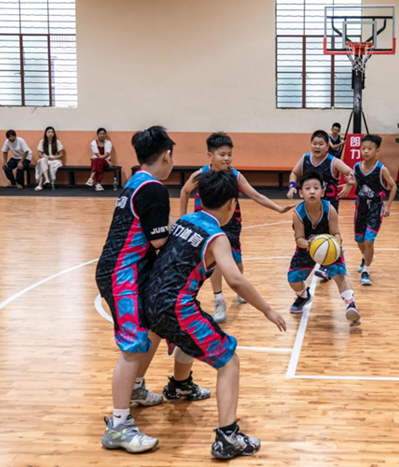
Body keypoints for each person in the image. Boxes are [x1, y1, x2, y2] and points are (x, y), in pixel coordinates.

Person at [144, 169, 287, 460]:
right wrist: (268, 309)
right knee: (229, 360)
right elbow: (235, 279)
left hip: (150, 299)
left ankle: (180, 386)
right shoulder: (217, 235)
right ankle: (228, 436)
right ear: (232, 205)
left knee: (193, 333)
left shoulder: (185, 220)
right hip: (176, 306)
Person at [97, 126, 209, 454]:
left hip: (125, 269)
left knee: (155, 327)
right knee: (133, 346)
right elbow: (160, 240)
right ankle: (118, 427)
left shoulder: (135, 181)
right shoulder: (154, 188)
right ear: (167, 155)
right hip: (123, 275)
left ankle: (135, 389)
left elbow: (153, 230)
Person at [179, 132, 294, 322]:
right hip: (207, 223)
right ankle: (218, 299)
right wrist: (183, 217)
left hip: (231, 222)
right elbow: (184, 191)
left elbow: (255, 195)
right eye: (222, 154)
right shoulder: (200, 175)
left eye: (229, 154)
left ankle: (240, 288)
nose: (226, 158)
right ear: (210, 156)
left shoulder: (235, 175)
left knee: (236, 261)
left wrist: (278, 208)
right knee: (214, 261)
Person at [288, 170, 361, 326]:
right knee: (293, 279)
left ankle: (351, 305)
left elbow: (336, 233)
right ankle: (303, 296)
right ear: (301, 193)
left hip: (330, 247)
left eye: (316, 188)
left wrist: (337, 244)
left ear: (322, 192)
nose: (312, 191)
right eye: (307, 188)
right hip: (306, 248)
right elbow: (299, 239)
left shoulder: (329, 209)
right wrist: (309, 244)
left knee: (340, 274)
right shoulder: (298, 214)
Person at [287, 130, 355, 280]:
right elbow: (294, 173)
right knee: (307, 235)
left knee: (330, 235)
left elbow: (350, 172)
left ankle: (326, 265)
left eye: (321, 144)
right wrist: (292, 186)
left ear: (327, 146)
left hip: (328, 206)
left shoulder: (333, 161)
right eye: (314, 143)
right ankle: (312, 264)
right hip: (311, 205)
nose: (317, 146)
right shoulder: (305, 159)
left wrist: (349, 186)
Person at [352, 134, 397, 285]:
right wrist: (348, 185)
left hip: (375, 207)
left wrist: (388, 206)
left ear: (377, 150)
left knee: (369, 240)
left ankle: (366, 271)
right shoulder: (356, 167)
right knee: (359, 240)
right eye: (363, 148)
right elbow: (355, 183)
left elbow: (394, 186)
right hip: (361, 207)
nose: (365, 151)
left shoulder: (381, 169)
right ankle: (366, 257)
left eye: (369, 149)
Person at [35, 126, 65, 191]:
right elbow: (39, 154)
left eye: (52, 132)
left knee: (44, 164)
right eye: (48, 132)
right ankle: (47, 179)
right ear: (46, 133)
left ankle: (40, 184)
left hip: (55, 160)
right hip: (45, 159)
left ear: (54, 134)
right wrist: (45, 157)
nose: (50, 134)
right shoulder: (42, 141)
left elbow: (61, 154)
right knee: (42, 161)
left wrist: (54, 157)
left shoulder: (57, 142)